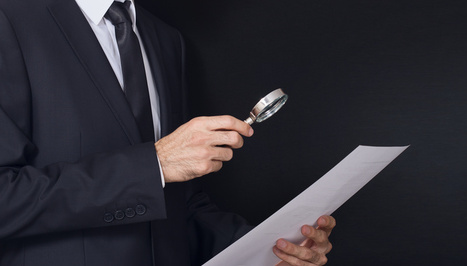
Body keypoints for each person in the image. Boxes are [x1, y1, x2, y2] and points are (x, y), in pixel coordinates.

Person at [0, 0, 334, 265]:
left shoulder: (165, 39)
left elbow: (177, 201)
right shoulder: (8, 18)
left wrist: (272, 249)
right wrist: (156, 163)